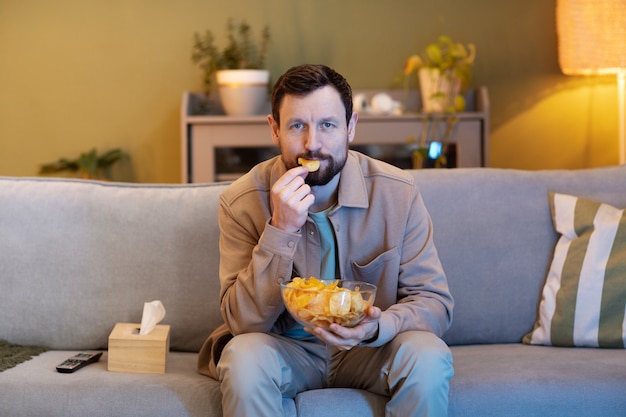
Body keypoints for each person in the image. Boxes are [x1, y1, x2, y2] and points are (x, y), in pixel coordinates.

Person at [197, 64, 454, 417]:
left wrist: (376, 327)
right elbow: (244, 324)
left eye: (328, 125)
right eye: (297, 125)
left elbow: (434, 303)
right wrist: (281, 229)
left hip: (370, 350)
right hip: (286, 350)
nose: (312, 143)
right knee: (242, 357)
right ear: (274, 130)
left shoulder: (397, 193)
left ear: (350, 127)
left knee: (428, 355)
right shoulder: (240, 202)